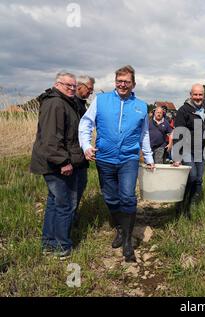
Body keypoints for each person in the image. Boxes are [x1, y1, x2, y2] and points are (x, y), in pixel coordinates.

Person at [79, 65, 155, 262]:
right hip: (104, 158)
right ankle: (120, 229)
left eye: (126, 81)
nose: (122, 84)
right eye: (119, 81)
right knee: (111, 198)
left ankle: (128, 241)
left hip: (128, 159)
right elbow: (86, 123)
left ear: (133, 84)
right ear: (115, 82)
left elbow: (144, 134)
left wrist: (148, 157)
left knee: (128, 197)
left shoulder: (141, 106)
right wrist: (86, 145)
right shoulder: (101, 100)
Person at [30, 72, 88, 260]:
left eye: (73, 86)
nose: (71, 89)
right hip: (56, 164)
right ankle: (62, 246)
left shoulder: (65, 102)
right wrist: (63, 161)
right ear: (57, 84)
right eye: (67, 85)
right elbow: (51, 138)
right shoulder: (55, 103)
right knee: (65, 204)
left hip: (56, 162)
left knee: (54, 204)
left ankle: (49, 243)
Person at [172, 84, 205, 217]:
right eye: (195, 94)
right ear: (191, 94)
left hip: (201, 149)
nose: (198, 97)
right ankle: (181, 204)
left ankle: (190, 206)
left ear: (203, 96)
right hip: (187, 149)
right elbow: (178, 133)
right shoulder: (183, 110)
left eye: (200, 94)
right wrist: (177, 156)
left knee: (199, 179)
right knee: (192, 176)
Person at [72, 75, 95, 226]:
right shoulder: (72, 103)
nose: (90, 93)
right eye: (89, 89)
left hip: (81, 156)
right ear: (80, 86)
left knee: (80, 185)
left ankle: (73, 218)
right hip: (73, 155)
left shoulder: (82, 104)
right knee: (72, 191)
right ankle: (70, 222)